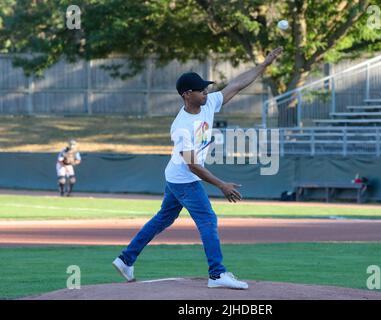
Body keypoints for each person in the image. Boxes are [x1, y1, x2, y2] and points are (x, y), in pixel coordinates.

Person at [112, 47, 283, 289]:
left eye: (206, 89)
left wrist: (264, 64)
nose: (206, 92)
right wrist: (222, 185)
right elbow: (192, 165)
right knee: (208, 220)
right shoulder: (181, 127)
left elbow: (237, 84)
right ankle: (217, 274)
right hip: (184, 179)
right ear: (187, 94)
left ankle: (126, 259)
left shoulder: (209, 103)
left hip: (176, 175)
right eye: (201, 90)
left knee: (163, 219)